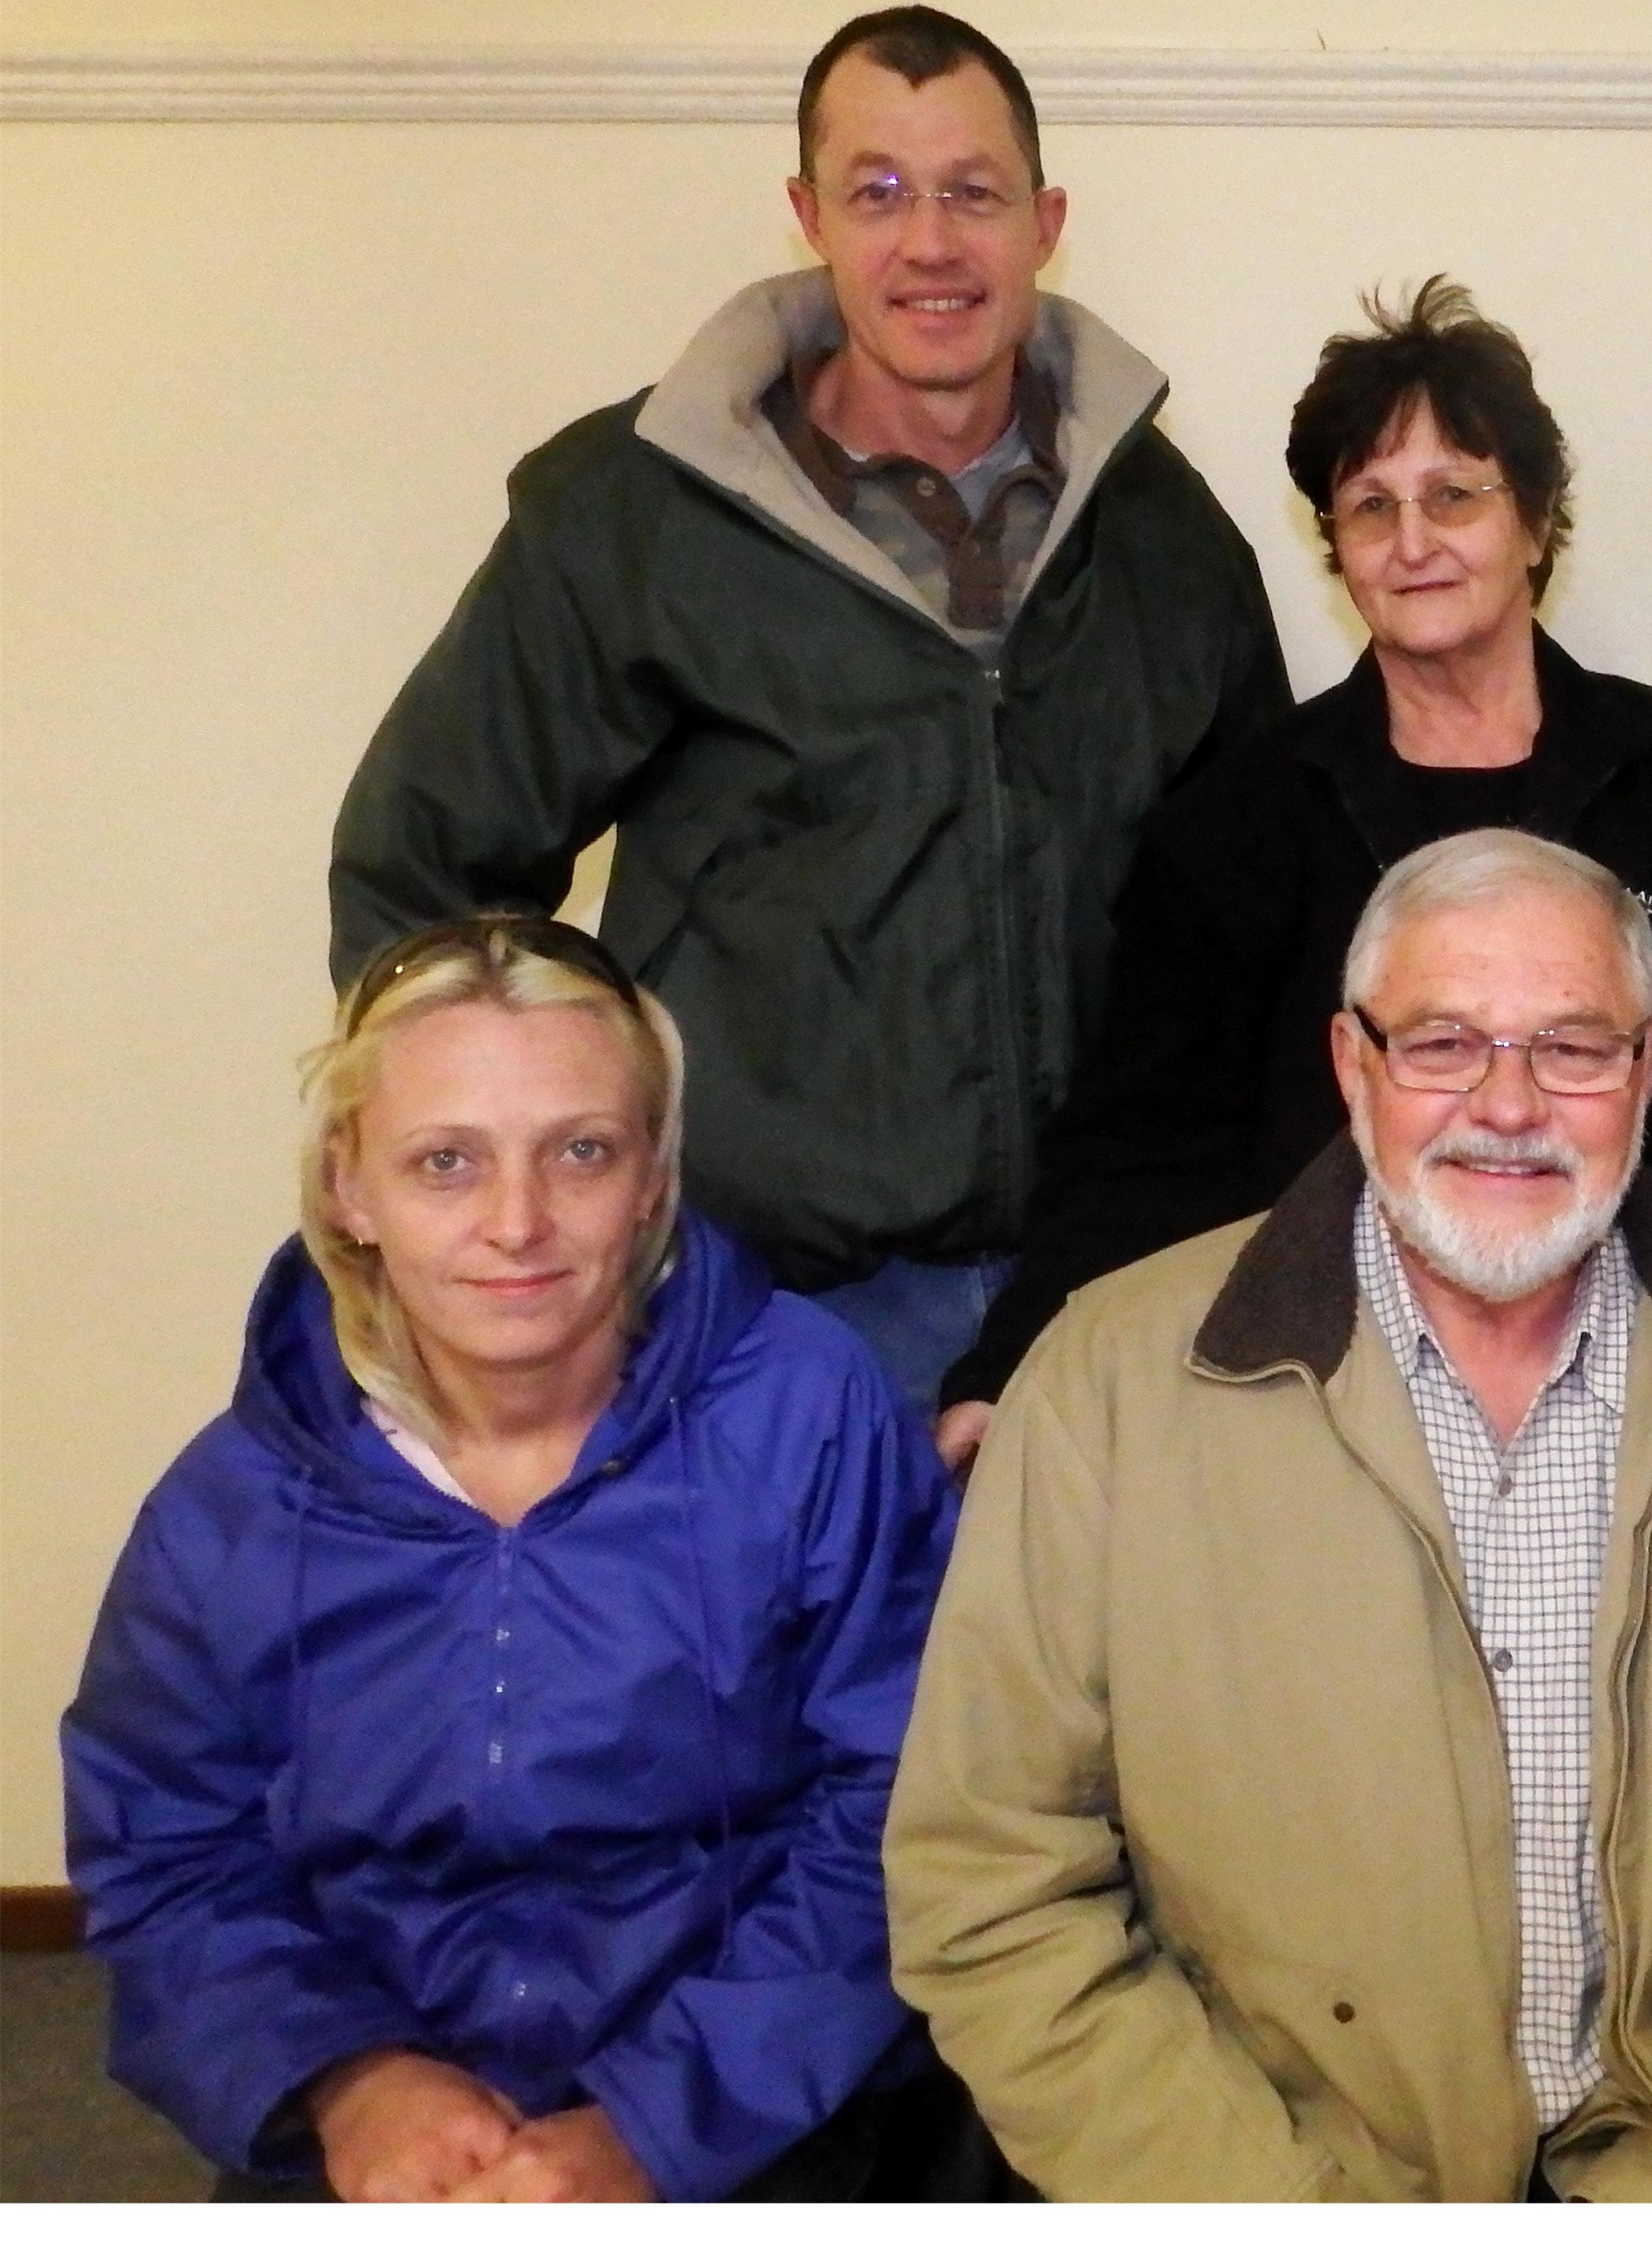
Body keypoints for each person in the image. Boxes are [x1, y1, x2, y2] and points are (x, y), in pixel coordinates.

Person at [886, 830, 1652, 2198]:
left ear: (1648, 1068)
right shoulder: (1107, 1384)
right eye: (1442, 1043)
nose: (1507, 1105)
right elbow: (995, 1886)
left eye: (1573, 1047)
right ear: (1352, 1064)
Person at [327, 8, 1291, 1416]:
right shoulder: (633, 516)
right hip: (755, 1324)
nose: (930, 242)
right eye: (878, 193)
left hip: (1101, 1313)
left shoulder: (1165, 536)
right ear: (809, 218)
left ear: (1043, 223)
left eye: (973, 192)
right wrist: (525, 1219)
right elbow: (422, 870)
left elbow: (1258, 924)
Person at [62, 916, 975, 2201]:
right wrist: (351, 2079)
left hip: (768, 2106)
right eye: (445, 1162)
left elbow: (909, 1802)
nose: (518, 1223)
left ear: (654, 1176)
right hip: (384, 2128)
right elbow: (165, 1852)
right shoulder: (233, 1504)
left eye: (581, 1151)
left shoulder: (813, 1418)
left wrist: (657, 2126)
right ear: (349, 1189)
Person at [934, 277, 1652, 1466]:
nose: (1413, 542)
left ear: (1535, 523)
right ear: (1338, 549)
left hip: (1637, 1383)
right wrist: (1012, 1365)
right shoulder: (1233, 826)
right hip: (1305, 1404)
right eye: (1372, 506)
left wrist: (1576, 1282)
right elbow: (1140, 1147)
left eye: (1454, 496)